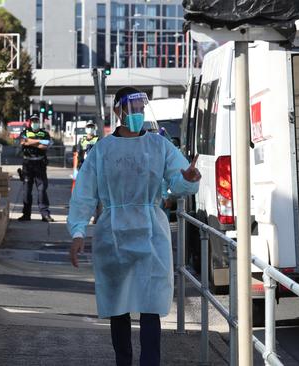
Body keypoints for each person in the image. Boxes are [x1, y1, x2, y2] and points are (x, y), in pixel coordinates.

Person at [67, 87, 201, 366]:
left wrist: (188, 177)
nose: (138, 112)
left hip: (152, 236)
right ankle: (123, 361)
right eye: (133, 107)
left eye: (142, 107)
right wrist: (78, 231)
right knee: (119, 307)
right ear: (118, 111)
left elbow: (178, 182)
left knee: (151, 307)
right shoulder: (102, 150)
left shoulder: (159, 145)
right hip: (113, 237)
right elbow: (84, 193)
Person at [18, 115, 54, 222]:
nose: (35, 123)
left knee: (42, 190)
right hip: (28, 164)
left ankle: (45, 214)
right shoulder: (25, 132)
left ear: (39, 122)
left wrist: (30, 142)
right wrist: (39, 142)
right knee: (26, 191)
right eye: (33, 121)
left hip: (40, 164)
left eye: (36, 121)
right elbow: (22, 142)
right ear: (30, 122)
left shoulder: (44, 133)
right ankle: (26, 214)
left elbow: (45, 145)